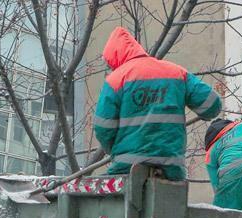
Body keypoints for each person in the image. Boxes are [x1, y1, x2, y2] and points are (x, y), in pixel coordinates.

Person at [93, 27, 222, 178]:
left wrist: (114, 150)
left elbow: (103, 127)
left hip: (127, 168)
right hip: (171, 169)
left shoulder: (116, 79)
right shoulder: (177, 73)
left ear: (114, 58)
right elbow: (212, 105)